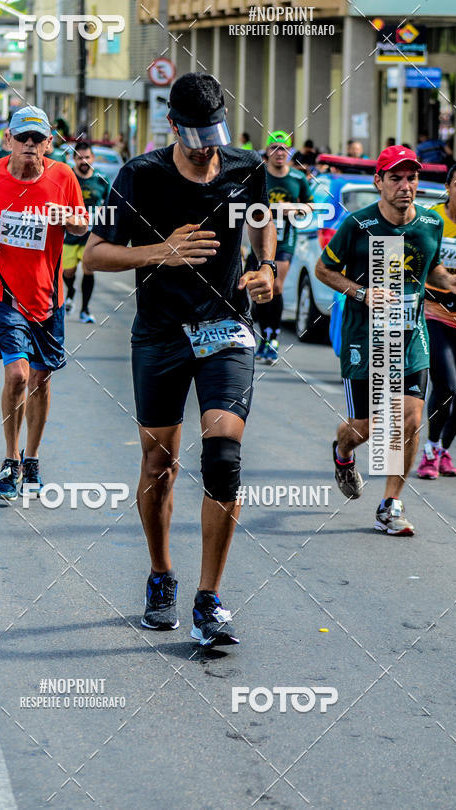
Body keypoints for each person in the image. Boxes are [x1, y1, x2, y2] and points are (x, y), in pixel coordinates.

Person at [84, 72, 276, 647]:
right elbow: (94, 255)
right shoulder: (138, 176)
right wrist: (159, 252)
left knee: (223, 453)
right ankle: (161, 575)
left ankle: (209, 599)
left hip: (226, 329)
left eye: (213, 136)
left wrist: (265, 268)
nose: (205, 149)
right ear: (172, 125)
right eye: (194, 138)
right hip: (161, 334)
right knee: (158, 464)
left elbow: (261, 224)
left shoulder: (247, 168)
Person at [315, 145, 456, 535]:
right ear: (379, 182)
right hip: (364, 337)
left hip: (410, 336)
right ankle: (342, 451)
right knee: (364, 427)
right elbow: (323, 269)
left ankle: (390, 505)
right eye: (396, 178)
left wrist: (449, 281)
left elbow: (431, 266)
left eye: (412, 178)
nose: (405, 186)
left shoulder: (430, 224)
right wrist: (363, 293)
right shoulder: (358, 225)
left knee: (410, 418)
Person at [0, 106, 88, 500]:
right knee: (17, 374)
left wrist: (65, 216)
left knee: (40, 380)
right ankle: (9, 460)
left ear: (49, 143)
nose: (29, 145)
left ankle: (31, 459)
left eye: (37, 139)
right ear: (8, 140)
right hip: (2, 292)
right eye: (22, 138)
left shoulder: (63, 177)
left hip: (47, 296)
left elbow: (82, 225)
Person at [417, 162, 456, 478]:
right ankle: (429, 449)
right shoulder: (431, 219)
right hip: (435, 314)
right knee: (447, 387)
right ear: (447, 187)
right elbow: (411, 263)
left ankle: (443, 450)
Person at [249, 130, 313, 362]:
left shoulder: (297, 178)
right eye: (275, 147)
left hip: (286, 237)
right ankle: (263, 336)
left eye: (284, 148)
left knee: (275, 286)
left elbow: (311, 205)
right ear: (267, 151)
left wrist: (294, 209)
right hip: (260, 237)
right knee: (260, 287)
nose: (279, 152)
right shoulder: (259, 175)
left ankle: (273, 336)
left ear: (290, 152)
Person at [63, 141, 110, 322]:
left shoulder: (101, 179)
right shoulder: (68, 177)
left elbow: (109, 202)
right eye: (79, 158)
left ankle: (85, 310)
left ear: (93, 158)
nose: (84, 161)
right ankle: (71, 290)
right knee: (68, 272)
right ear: (74, 159)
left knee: (88, 269)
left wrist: (104, 214)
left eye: (87, 157)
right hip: (69, 235)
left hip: (91, 236)